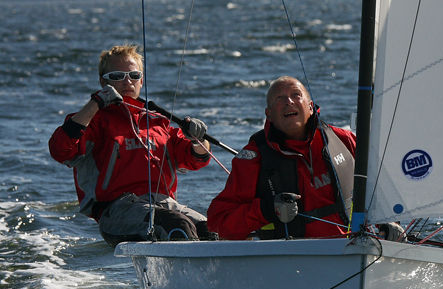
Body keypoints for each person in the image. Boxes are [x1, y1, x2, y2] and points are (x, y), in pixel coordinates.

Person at [49, 44, 212, 247]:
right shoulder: (93, 121)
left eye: (134, 75)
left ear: (142, 80)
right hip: (117, 211)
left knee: (212, 228)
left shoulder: (158, 122)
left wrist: (197, 138)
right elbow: (60, 150)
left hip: (163, 204)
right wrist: (96, 103)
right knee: (176, 225)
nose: (127, 81)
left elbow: (197, 159)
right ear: (103, 81)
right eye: (118, 76)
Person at [207, 76, 357, 240]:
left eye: (296, 95)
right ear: (269, 114)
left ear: (311, 107)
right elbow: (218, 224)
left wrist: (388, 225)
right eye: (280, 97)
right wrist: (267, 210)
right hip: (291, 256)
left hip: (352, 248)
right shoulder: (253, 160)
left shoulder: (344, 140)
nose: (289, 101)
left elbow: (383, 187)